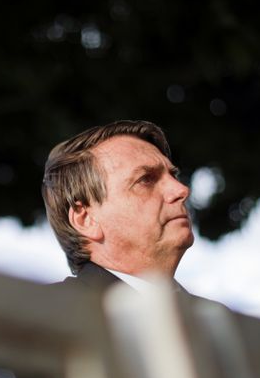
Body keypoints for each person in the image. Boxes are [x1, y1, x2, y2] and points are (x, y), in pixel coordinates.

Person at [42, 120, 194, 292]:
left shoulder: (215, 315)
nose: (181, 189)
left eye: (173, 175)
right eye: (145, 179)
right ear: (86, 219)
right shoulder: (38, 312)